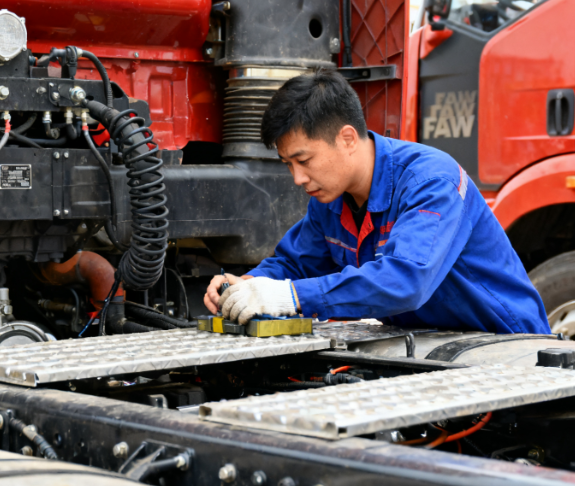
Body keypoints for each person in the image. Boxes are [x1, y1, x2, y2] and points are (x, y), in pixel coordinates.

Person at [203, 69, 550, 334]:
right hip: (428, 343)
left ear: (348, 138)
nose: (297, 178)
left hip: (506, 347)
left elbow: (405, 281)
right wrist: (245, 287)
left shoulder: (430, 181)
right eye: (288, 165)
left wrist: (288, 297)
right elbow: (296, 266)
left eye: (304, 160)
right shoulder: (330, 199)